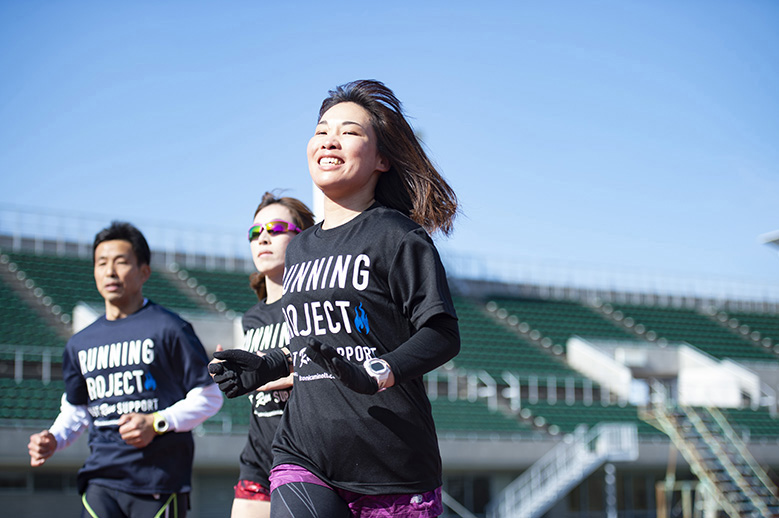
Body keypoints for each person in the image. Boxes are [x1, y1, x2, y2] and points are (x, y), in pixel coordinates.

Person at [210, 79, 460, 518]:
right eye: (322, 129)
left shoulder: (399, 236)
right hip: (302, 456)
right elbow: (317, 342)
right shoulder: (301, 248)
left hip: (394, 467)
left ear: (383, 159)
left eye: (350, 131)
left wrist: (376, 373)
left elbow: (441, 333)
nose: (330, 139)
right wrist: (267, 365)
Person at [28, 221, 223, 518]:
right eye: (101, 263)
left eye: (121, 262)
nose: (110, 271)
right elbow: (78, 409)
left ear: (144, 271)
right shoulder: (79, 343)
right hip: (100, 481)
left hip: (158, 480)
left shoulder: (170, 328)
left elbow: (210, 397)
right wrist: (54, 438)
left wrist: (156, 421)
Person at [213, 192, 314, 518]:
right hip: (258, 459)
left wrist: (262, 377)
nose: (264, 237)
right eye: (255, 232)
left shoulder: (313, 306)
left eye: (276, 228)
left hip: (308, 456)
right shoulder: (250, 318)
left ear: (303, 236)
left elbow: (326, 368)